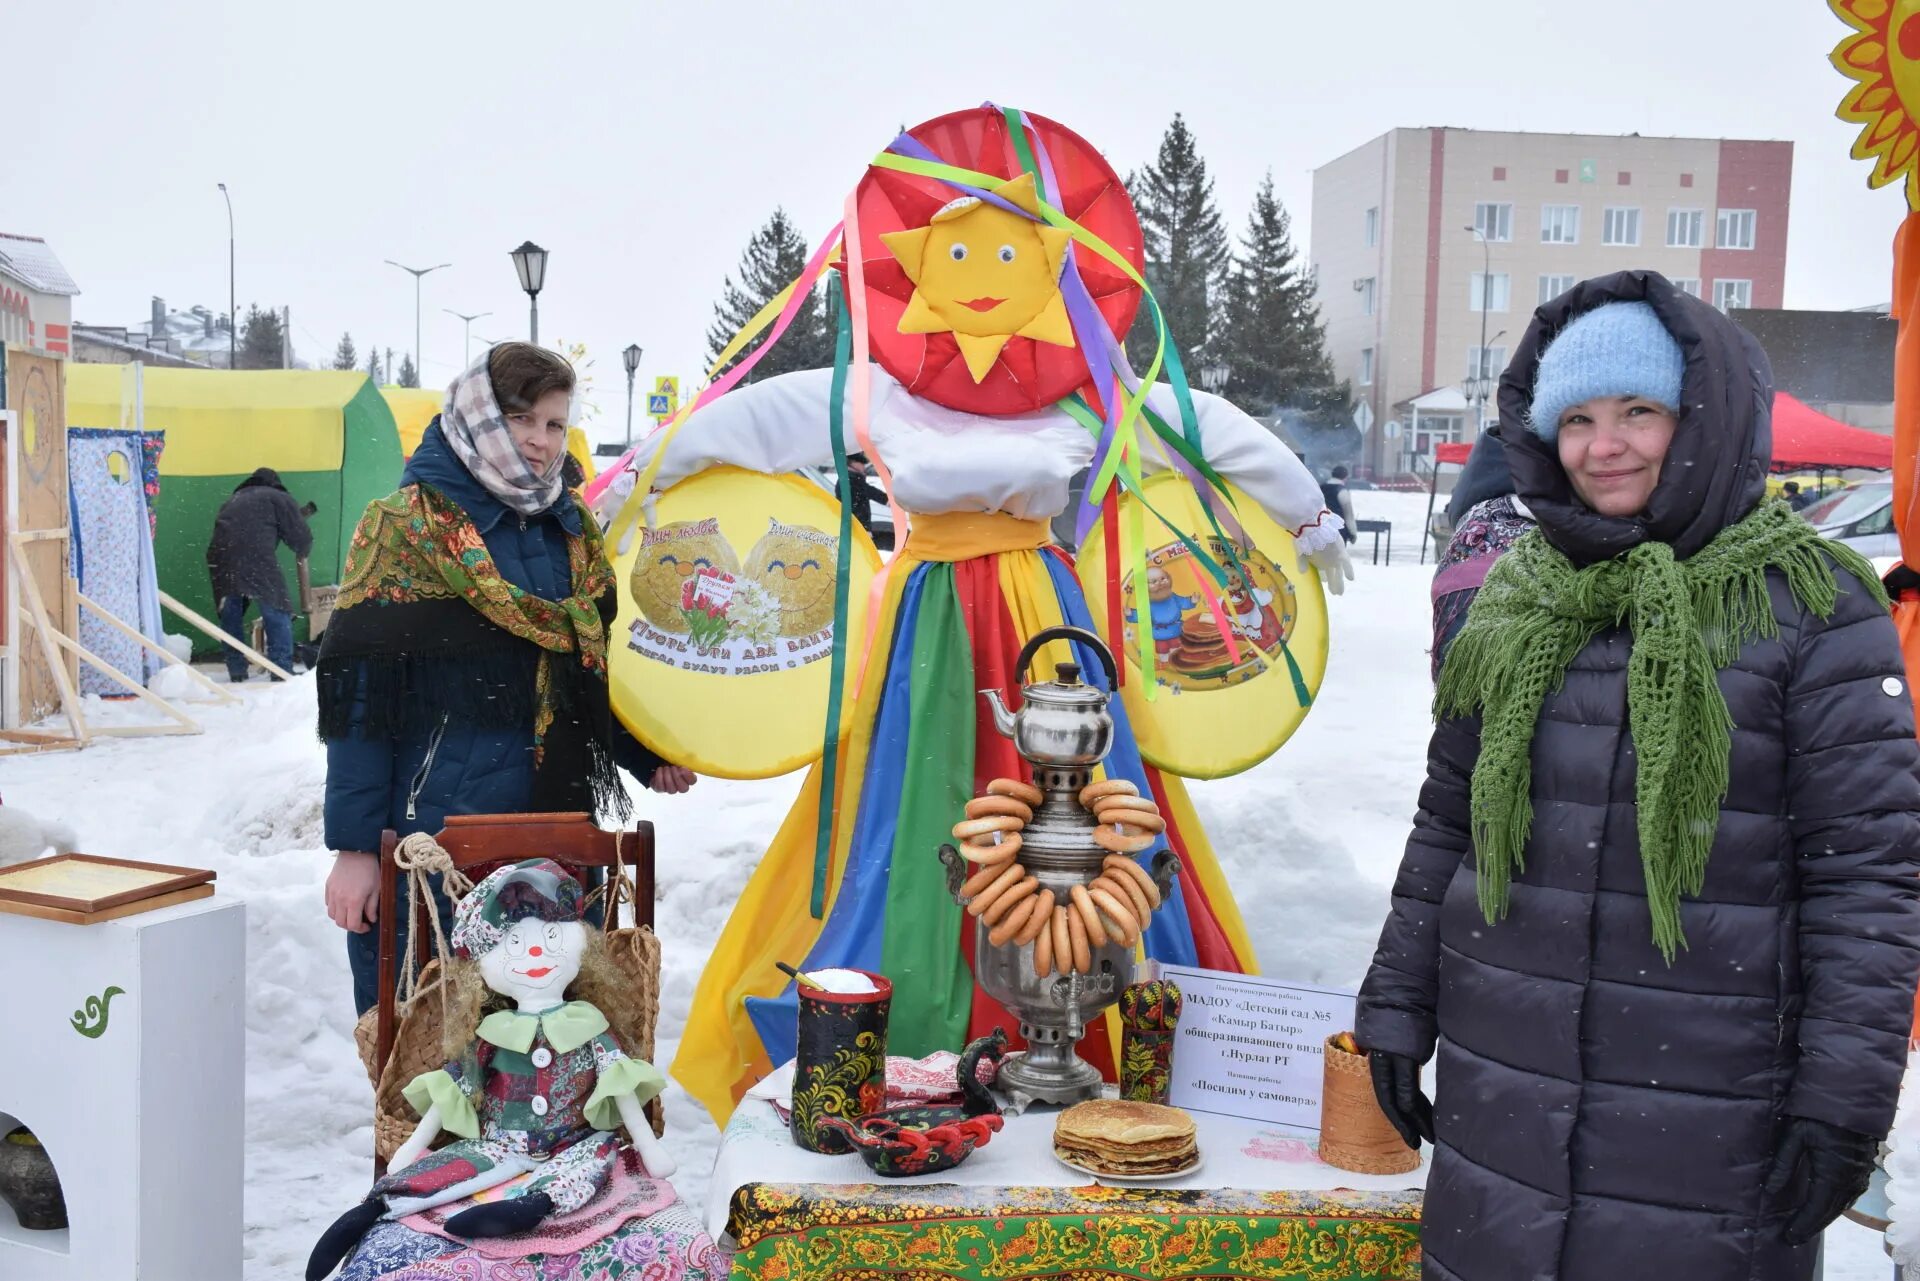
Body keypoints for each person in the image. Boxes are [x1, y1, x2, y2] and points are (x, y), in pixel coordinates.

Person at [1356, 274, 1920, 1281]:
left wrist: (1844, 1101)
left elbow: (1867, 878)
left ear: (1704, 419)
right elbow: (1448, 823)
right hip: (1506, 1103)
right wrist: (1397, 1007)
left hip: (1712, 1118)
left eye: (1638, 412)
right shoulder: (1514, 601)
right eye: (1575, 419)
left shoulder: (1811, 606)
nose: (1601, 446)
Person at [320, 344, 696, 1016]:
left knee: (548, 1025)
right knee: (434, 1027)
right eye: (521, 418)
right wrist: (353, 848)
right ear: (478, 417)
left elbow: (578, 672)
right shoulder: (406, 528)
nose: (539, 440)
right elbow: (361, 700)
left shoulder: (572, 529)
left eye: (554, 424)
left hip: (557, 822)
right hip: (439, 831)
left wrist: (642, 754)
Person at [206, 467, 312, 681]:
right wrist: (303, 549)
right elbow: (300, 537)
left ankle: (236, 670)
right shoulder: (279, 497)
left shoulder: (233, 500)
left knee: (230, 613)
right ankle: (281, 670)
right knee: (277, 609)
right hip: (255, 555)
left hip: (220, 557)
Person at [1320, 464, 1359, 544]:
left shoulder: (1321, 488)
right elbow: (1348, 515)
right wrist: (1353, 532)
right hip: (1338, 532)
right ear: (1345, 477)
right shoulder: (1342, 491)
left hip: (1320, 530)